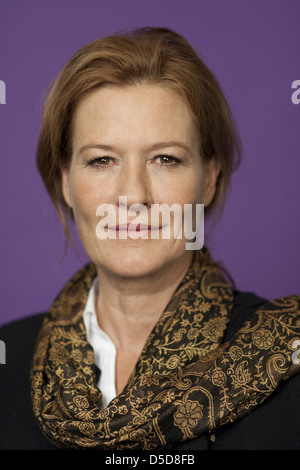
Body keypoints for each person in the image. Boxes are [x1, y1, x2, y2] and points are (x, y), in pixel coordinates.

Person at [0, 27, 299, 451]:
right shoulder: (7, 358)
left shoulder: (291, 362)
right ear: (66, 181)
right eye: (102, 160)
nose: (133, 196)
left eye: (165, 159)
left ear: (209, 177)